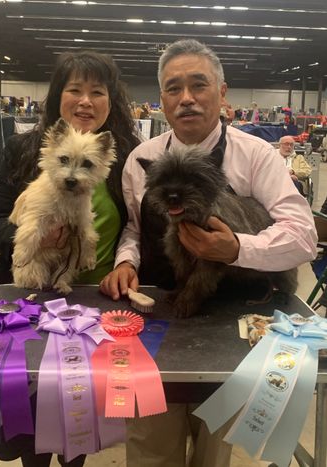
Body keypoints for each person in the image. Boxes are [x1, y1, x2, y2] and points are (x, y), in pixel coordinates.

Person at [100, 39, 317, 467]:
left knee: (214, 448)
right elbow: (134, 227)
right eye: (173, 88)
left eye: (198, 85)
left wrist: (236, 248)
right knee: (150, 449)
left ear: (221, 92)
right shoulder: (140, 159)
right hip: (156, 322)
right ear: (161, 99)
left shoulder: (257, 156)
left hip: (231, 325)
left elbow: (303, 236)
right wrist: (126, 260)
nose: (186, 98)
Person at [0, 49, 140, 467]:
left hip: (95, 307)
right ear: (58, 97)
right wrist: (33, 236)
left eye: (97, 91)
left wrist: (128, 262)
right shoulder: (23, 148)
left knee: (78, 420)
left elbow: (138, 228)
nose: (86, 101)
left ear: (112, 101)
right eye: (75, 90)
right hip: (28, 298)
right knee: (31, 421)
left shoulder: (127, 157)